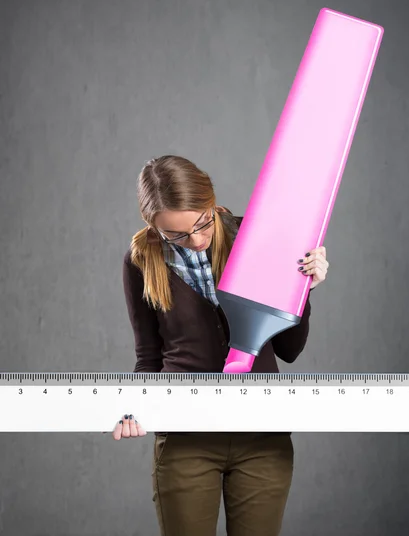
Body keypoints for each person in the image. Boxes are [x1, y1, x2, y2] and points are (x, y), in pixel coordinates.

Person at [114, 155, 329, 536]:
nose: (196, 241)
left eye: (202, 222)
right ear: (154, 227)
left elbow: (288, 350)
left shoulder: (256, 237)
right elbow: (148, 357)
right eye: (177, 236)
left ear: (212, 201)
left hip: (262, 440)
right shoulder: (140, 262)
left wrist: (302, 292)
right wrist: (132, 406)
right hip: (185, 441)